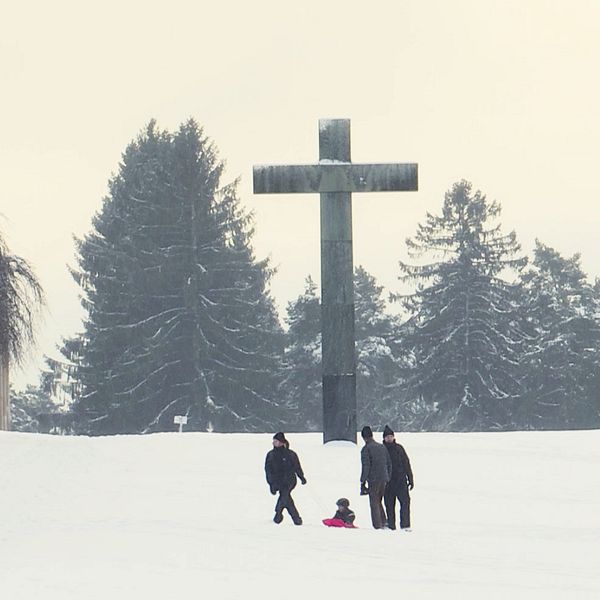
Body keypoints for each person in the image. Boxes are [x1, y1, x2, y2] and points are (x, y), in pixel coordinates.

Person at [264, 432, 306, 525]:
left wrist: (301, 477)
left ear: (282, 442)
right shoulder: (270, 455)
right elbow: (268, 470)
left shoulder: (291, 454)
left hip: (289, 481)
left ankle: (278, 514)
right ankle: (295, 518)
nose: (274, 443)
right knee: (286, 498)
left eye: (276, 441)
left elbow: (297, 467)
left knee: (284, 494)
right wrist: (271, 484)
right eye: (273, 441)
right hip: (277, 481)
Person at [382, 425, 414, 530]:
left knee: (405, 503)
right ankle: (391, 525)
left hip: (401, 481)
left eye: (391, 436)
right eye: (387, 437)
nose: (389, 438)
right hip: (388, 482)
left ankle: (405, 525)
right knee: (389, 505)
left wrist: (410, 477)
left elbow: (406, 463)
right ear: (384, 438)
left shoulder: (399, 448)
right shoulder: (382, 449)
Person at [359, 425, 392, 529]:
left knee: (374, 502)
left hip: (373, 479)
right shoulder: (382, 447)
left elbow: (366, 466)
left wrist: (362, 481)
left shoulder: (366, 449)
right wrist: (388, 476)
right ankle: (384, 521)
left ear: (364, 437)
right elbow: (389, 463)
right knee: (378, 500)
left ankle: (378, 525)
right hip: (384, 478)